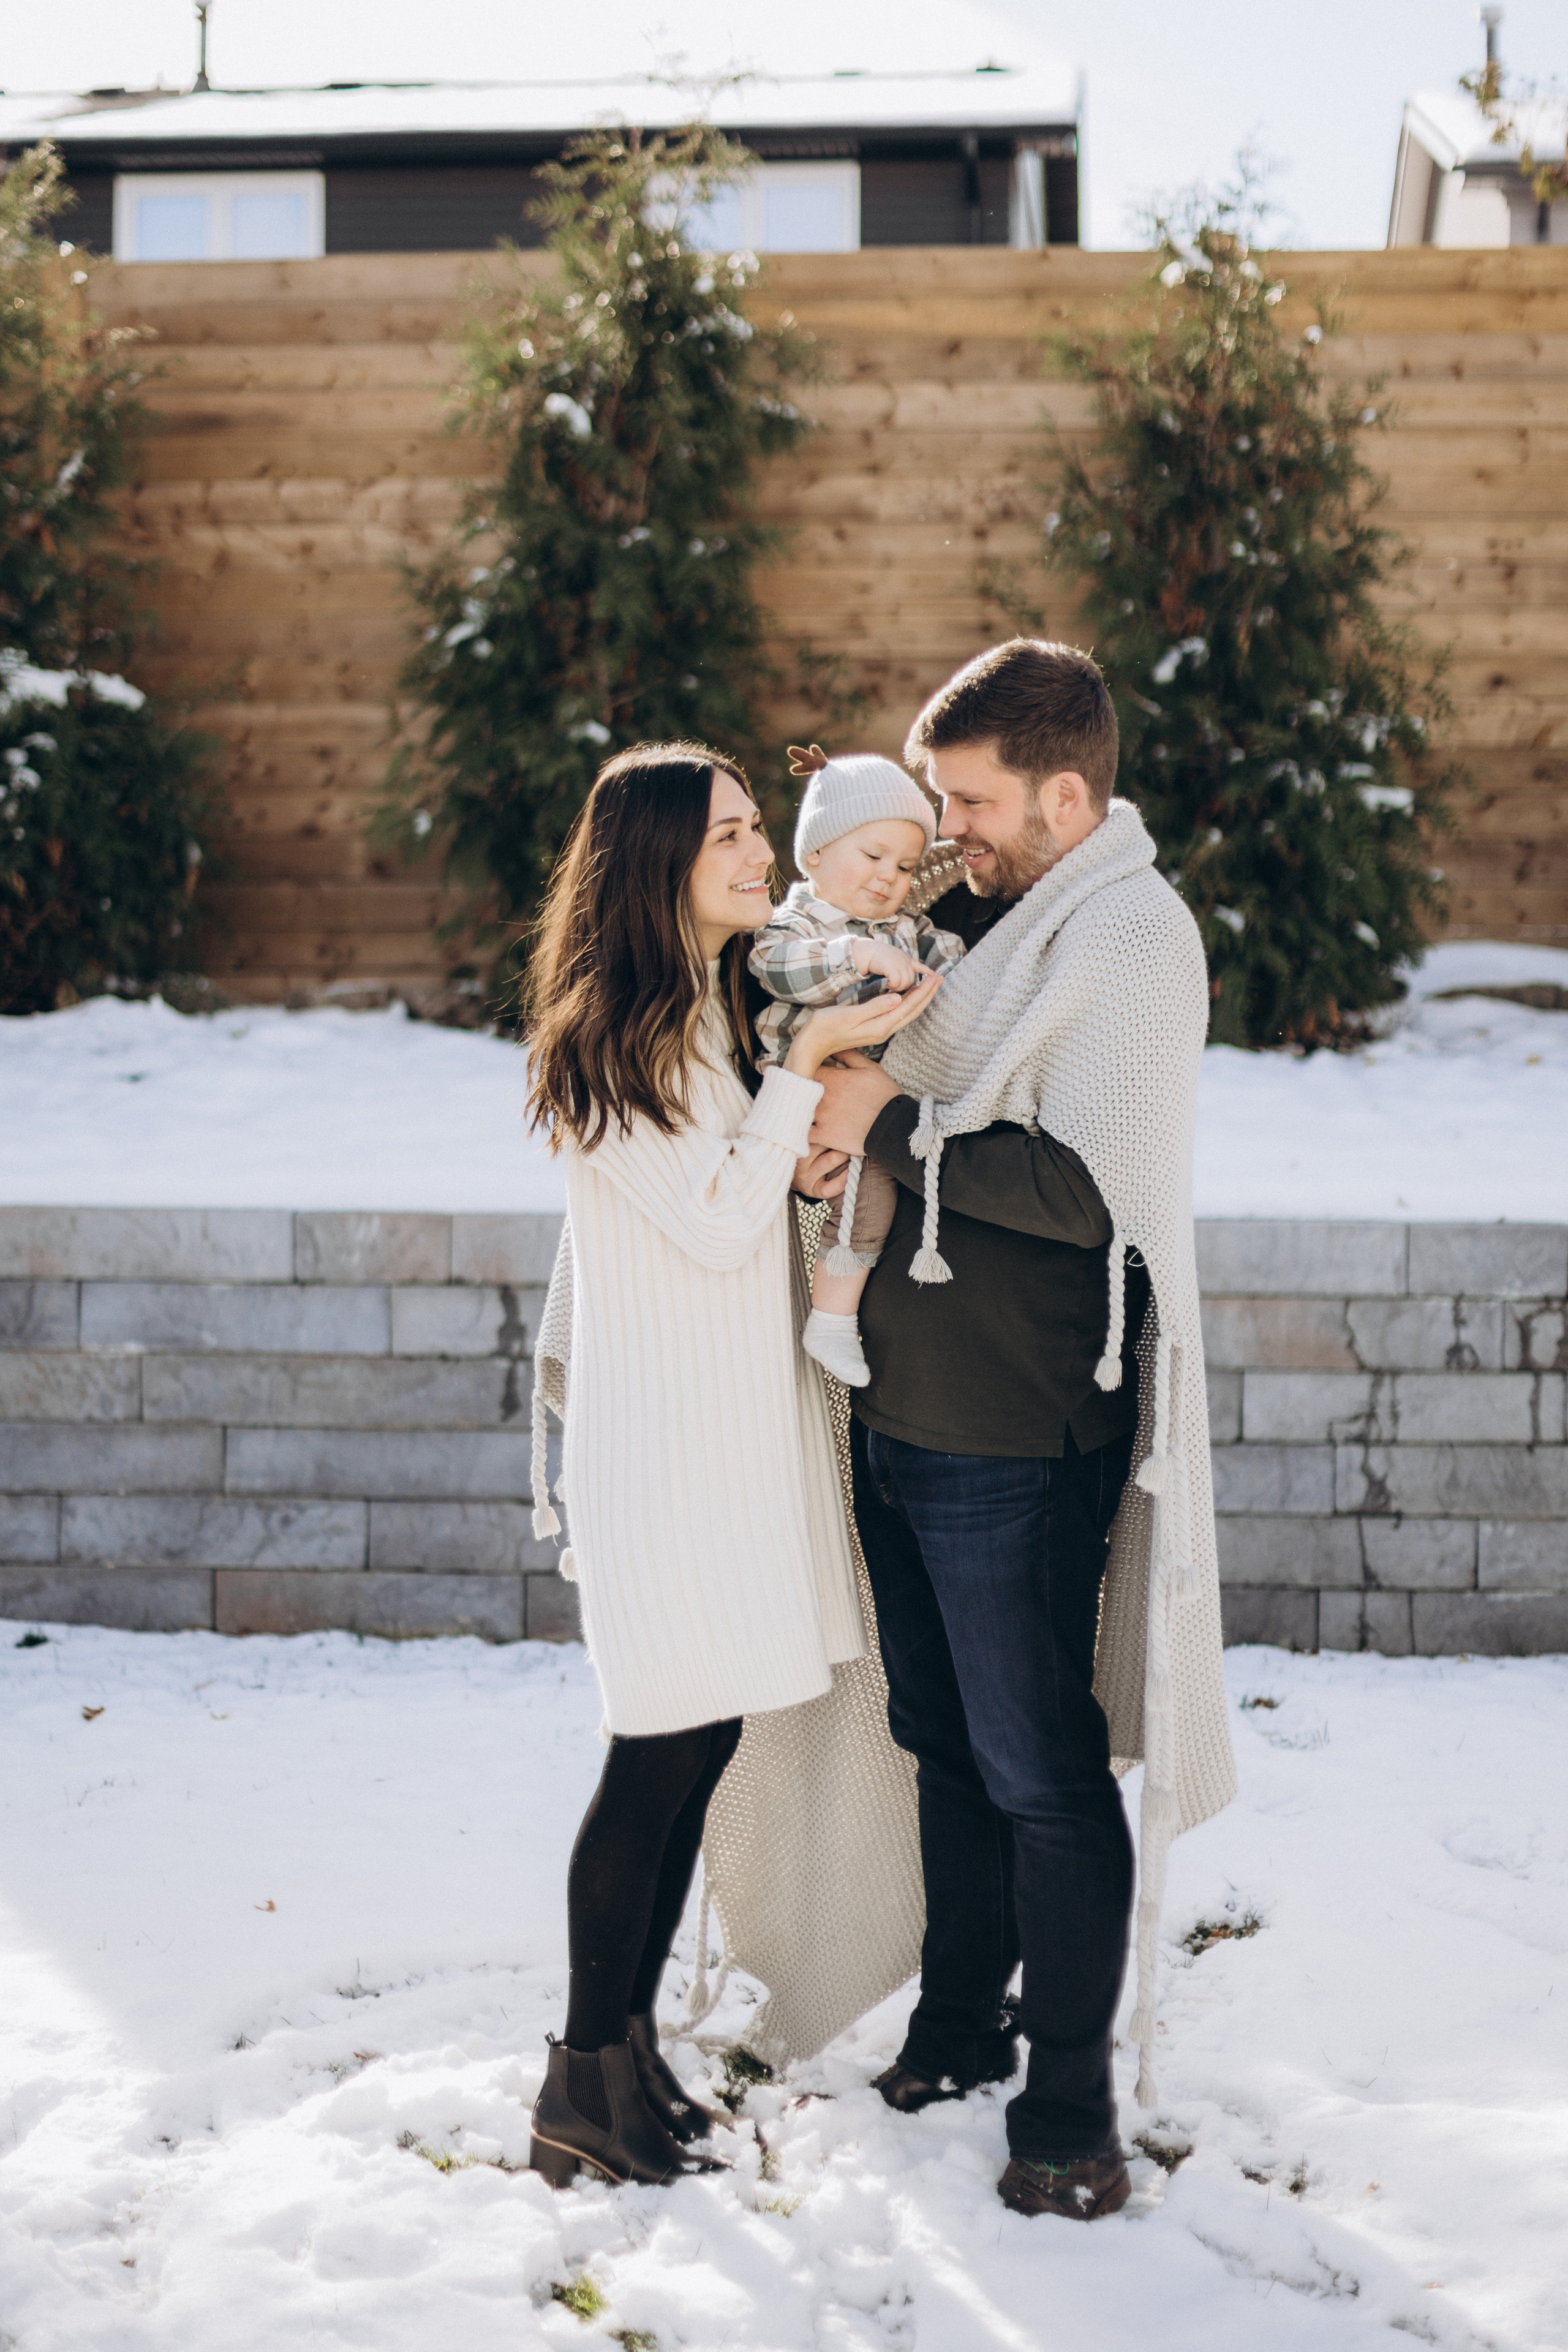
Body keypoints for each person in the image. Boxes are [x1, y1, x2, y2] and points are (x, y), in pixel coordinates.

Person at [800, 640, 1237, 2222]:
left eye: (970, 800)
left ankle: (1068, 2113)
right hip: (899, 1396)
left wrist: (889, 1122)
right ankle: (957, 2023)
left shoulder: (1128, 936)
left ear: (1066, 792)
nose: (946, 829)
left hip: (1018, 1420)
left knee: (1040, 1765)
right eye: (936, 798)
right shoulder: (980, 929)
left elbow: (1093, 1198)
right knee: (941, 1743)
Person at [521, 741, 938, 2190]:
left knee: (696, 1752)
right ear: (656, 865)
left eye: (761, 826)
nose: (762, 854)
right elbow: (701, 1230)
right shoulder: (610, 1036)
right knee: (650, 1761)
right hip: (657, 1464)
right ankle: (577, 2081)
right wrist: (809, 1071)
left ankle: (627, 2056)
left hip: (716, 1443)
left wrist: (802, 1152)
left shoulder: (699, 1017)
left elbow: (724, 1207)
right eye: (731, 837)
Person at [748, 745, 965, 1390]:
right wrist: (856, 954)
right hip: (808, 1089)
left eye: (904, 866)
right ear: (814, 854)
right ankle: (833, 1317)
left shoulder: (907, 926)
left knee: (875, 1189)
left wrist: (945, 969)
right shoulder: (794, 925)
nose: (888, 878)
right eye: (871, 857)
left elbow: (955, 966)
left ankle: (840, 1312)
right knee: (862, 1195)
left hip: (875, 1094)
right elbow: (776, 969)